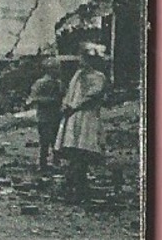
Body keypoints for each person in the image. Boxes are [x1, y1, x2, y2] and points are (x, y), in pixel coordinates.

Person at [56, 45, 108, 199]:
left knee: (83, 149)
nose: (82, 63)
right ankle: (73, 184)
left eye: (85, 59)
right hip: (73, 116)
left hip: (87, 116)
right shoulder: (78, 75)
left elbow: (92, 96)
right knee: (72, 148)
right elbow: (70, 92)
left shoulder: (98, 77)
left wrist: (75, 106)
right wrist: (66, 104)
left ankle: (79, 184)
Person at [27, 60, 64, 172]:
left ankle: (56, 162)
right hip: (44, 116)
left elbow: (64, 95)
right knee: (45, 141)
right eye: (55, 68)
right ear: (49, 70)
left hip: (56, 115)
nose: (58, 71)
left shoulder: (59, 83)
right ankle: (43, 163)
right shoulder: (40, 83)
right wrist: (51, 100)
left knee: (56, 140)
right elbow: (32, 98)